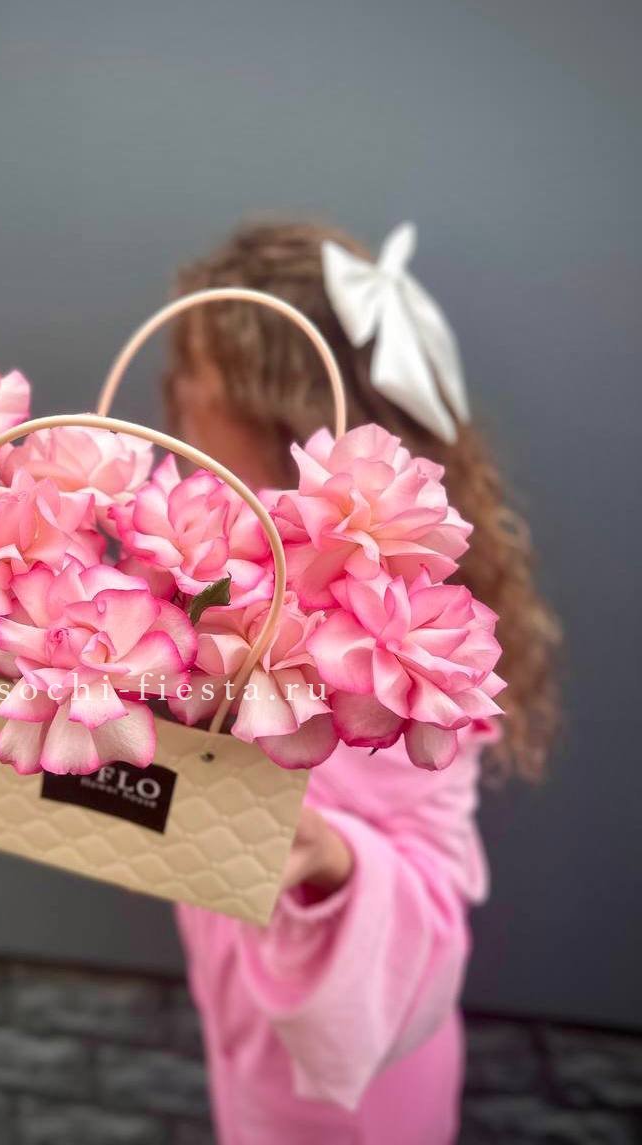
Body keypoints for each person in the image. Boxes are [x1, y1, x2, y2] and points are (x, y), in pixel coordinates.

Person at [164, 220, 561, 1144]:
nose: (175, 394)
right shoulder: (201, 573)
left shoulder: (397, 644)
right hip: (242, 1026)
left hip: (355, 1077)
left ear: (276, 405)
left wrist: (332, 859)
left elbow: (433, 888)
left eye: (196, 372)